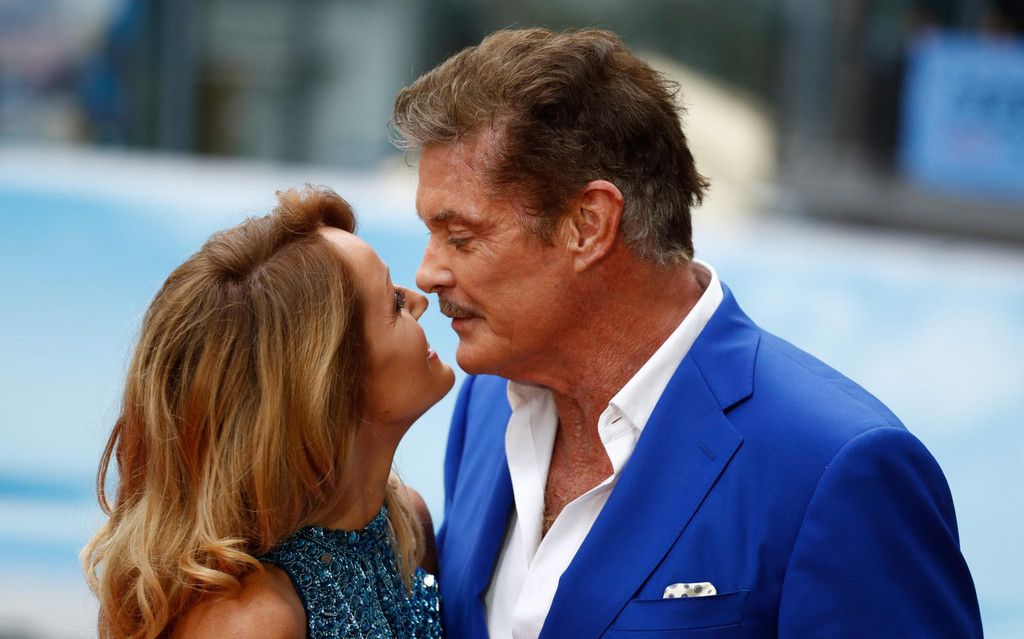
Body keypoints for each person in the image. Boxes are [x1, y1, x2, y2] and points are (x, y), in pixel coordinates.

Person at [391, 28, 983, 638]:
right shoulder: (486, 405)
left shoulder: (838, 466)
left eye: (460, 237)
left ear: (588, 225)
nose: (428, 273)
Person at [81, 186, 453, 638]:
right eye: (393, 303)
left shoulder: (406, 527)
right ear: (329, 386)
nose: (419, 300)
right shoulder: (249, 620)